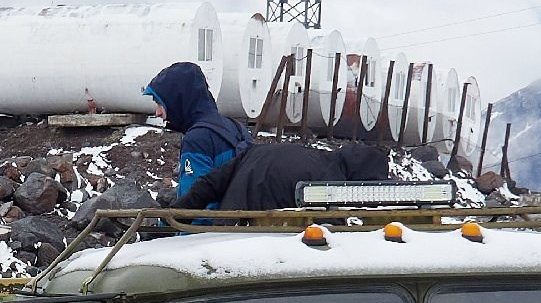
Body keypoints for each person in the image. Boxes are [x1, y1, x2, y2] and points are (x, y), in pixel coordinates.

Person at [175, 136, 390, 212]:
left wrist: (173, 215)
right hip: (272, 257)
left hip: (226, 237)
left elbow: (210, 184)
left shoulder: (261, 150)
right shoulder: (331, 183)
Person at [144, 61, 250, 202]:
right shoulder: (236, 128)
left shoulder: (198, 138)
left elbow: (196, 208)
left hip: (216, 223)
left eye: (159, 103)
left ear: (177, 99)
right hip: (242, 220)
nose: (157, 112)